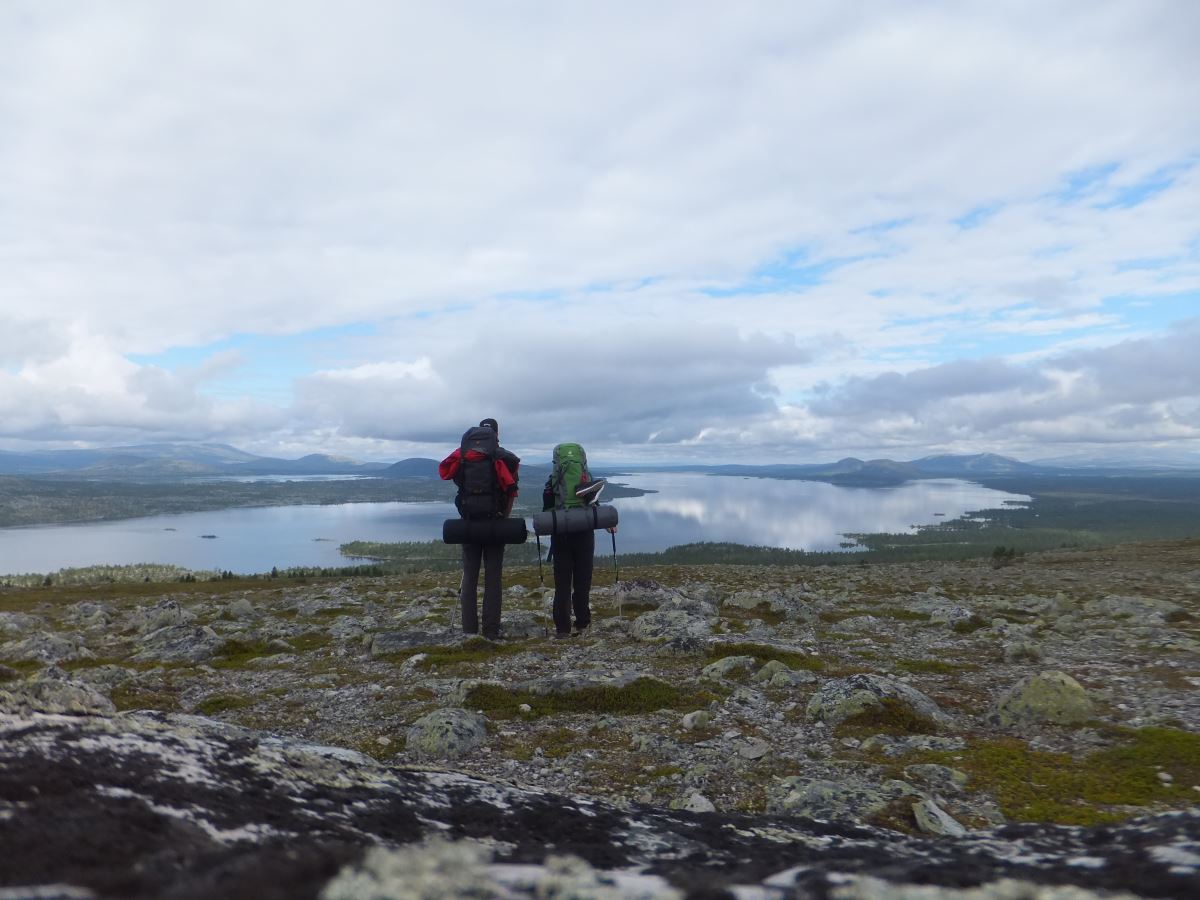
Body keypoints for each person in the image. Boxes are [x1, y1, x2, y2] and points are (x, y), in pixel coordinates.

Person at [438, 418, 520, 639]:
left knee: (470, 576)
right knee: (493, 578)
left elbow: (449, 476)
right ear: (496, 434)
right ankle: (491, 631)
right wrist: (504, 517)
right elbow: (512, 490)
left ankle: (469, 631)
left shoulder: (463, 455)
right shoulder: (502, 457)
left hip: (469, 524)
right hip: (495, 522)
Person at [542, 442, 615, 638]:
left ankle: (562, 629)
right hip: (584, 533)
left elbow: (547, 511)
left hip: (561, 536)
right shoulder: (587, 479)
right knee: (583, 581)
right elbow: (594, 503)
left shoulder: (552, 483)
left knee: (562, 584)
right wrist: (608, 522)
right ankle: (582, 623)